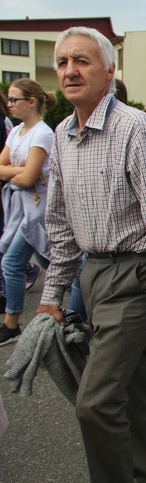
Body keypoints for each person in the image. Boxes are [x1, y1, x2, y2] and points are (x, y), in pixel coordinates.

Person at [37, 26, 146, 483]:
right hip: (94, 274)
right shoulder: (62, 135)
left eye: (82, 61)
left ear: (109, 71)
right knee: (133, 389)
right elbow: (61, 226)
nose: (70, 69)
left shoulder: (136, 129)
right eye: (64, 61)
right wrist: (52, 295)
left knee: (95, 402)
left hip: (135, 274)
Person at [0, 79, 55, 345]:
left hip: (36, 210)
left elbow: (28, 177)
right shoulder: (17, 131)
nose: (9, 105)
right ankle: (77, 307)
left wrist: (16, 173)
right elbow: (5, 169)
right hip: (19, 208)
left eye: (14, 100)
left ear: (31, 102)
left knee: (11, 263)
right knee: (49, 262)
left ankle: (11, 325)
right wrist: (19, 173)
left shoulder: (42, 133)